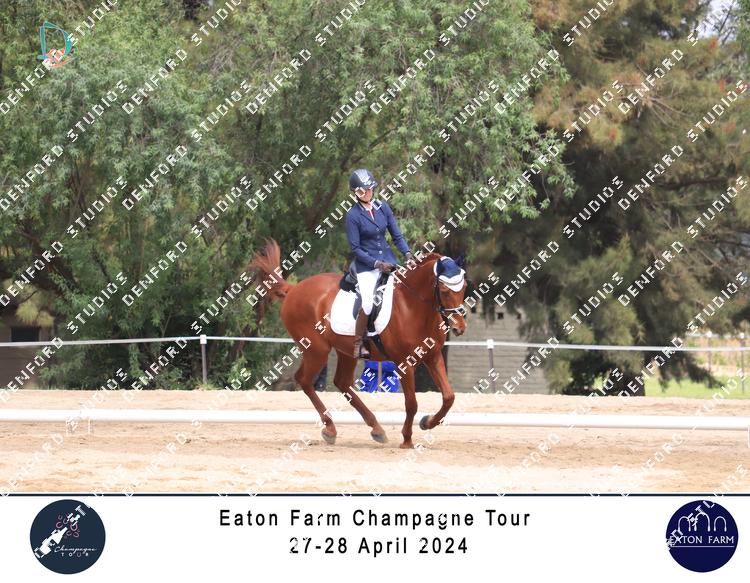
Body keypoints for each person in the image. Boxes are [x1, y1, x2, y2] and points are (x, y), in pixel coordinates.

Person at [345, 169, 414, 358]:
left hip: (389, 261)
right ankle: (359, 343)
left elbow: (396, 235)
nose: (367, 193)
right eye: (362, 191)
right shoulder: (352, 215)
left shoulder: (383, 207)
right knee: (368, 304)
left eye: (369, 189)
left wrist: (407, 253)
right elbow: (355, 249)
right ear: (356, 193)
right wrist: (376, 264)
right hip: (367, 267)